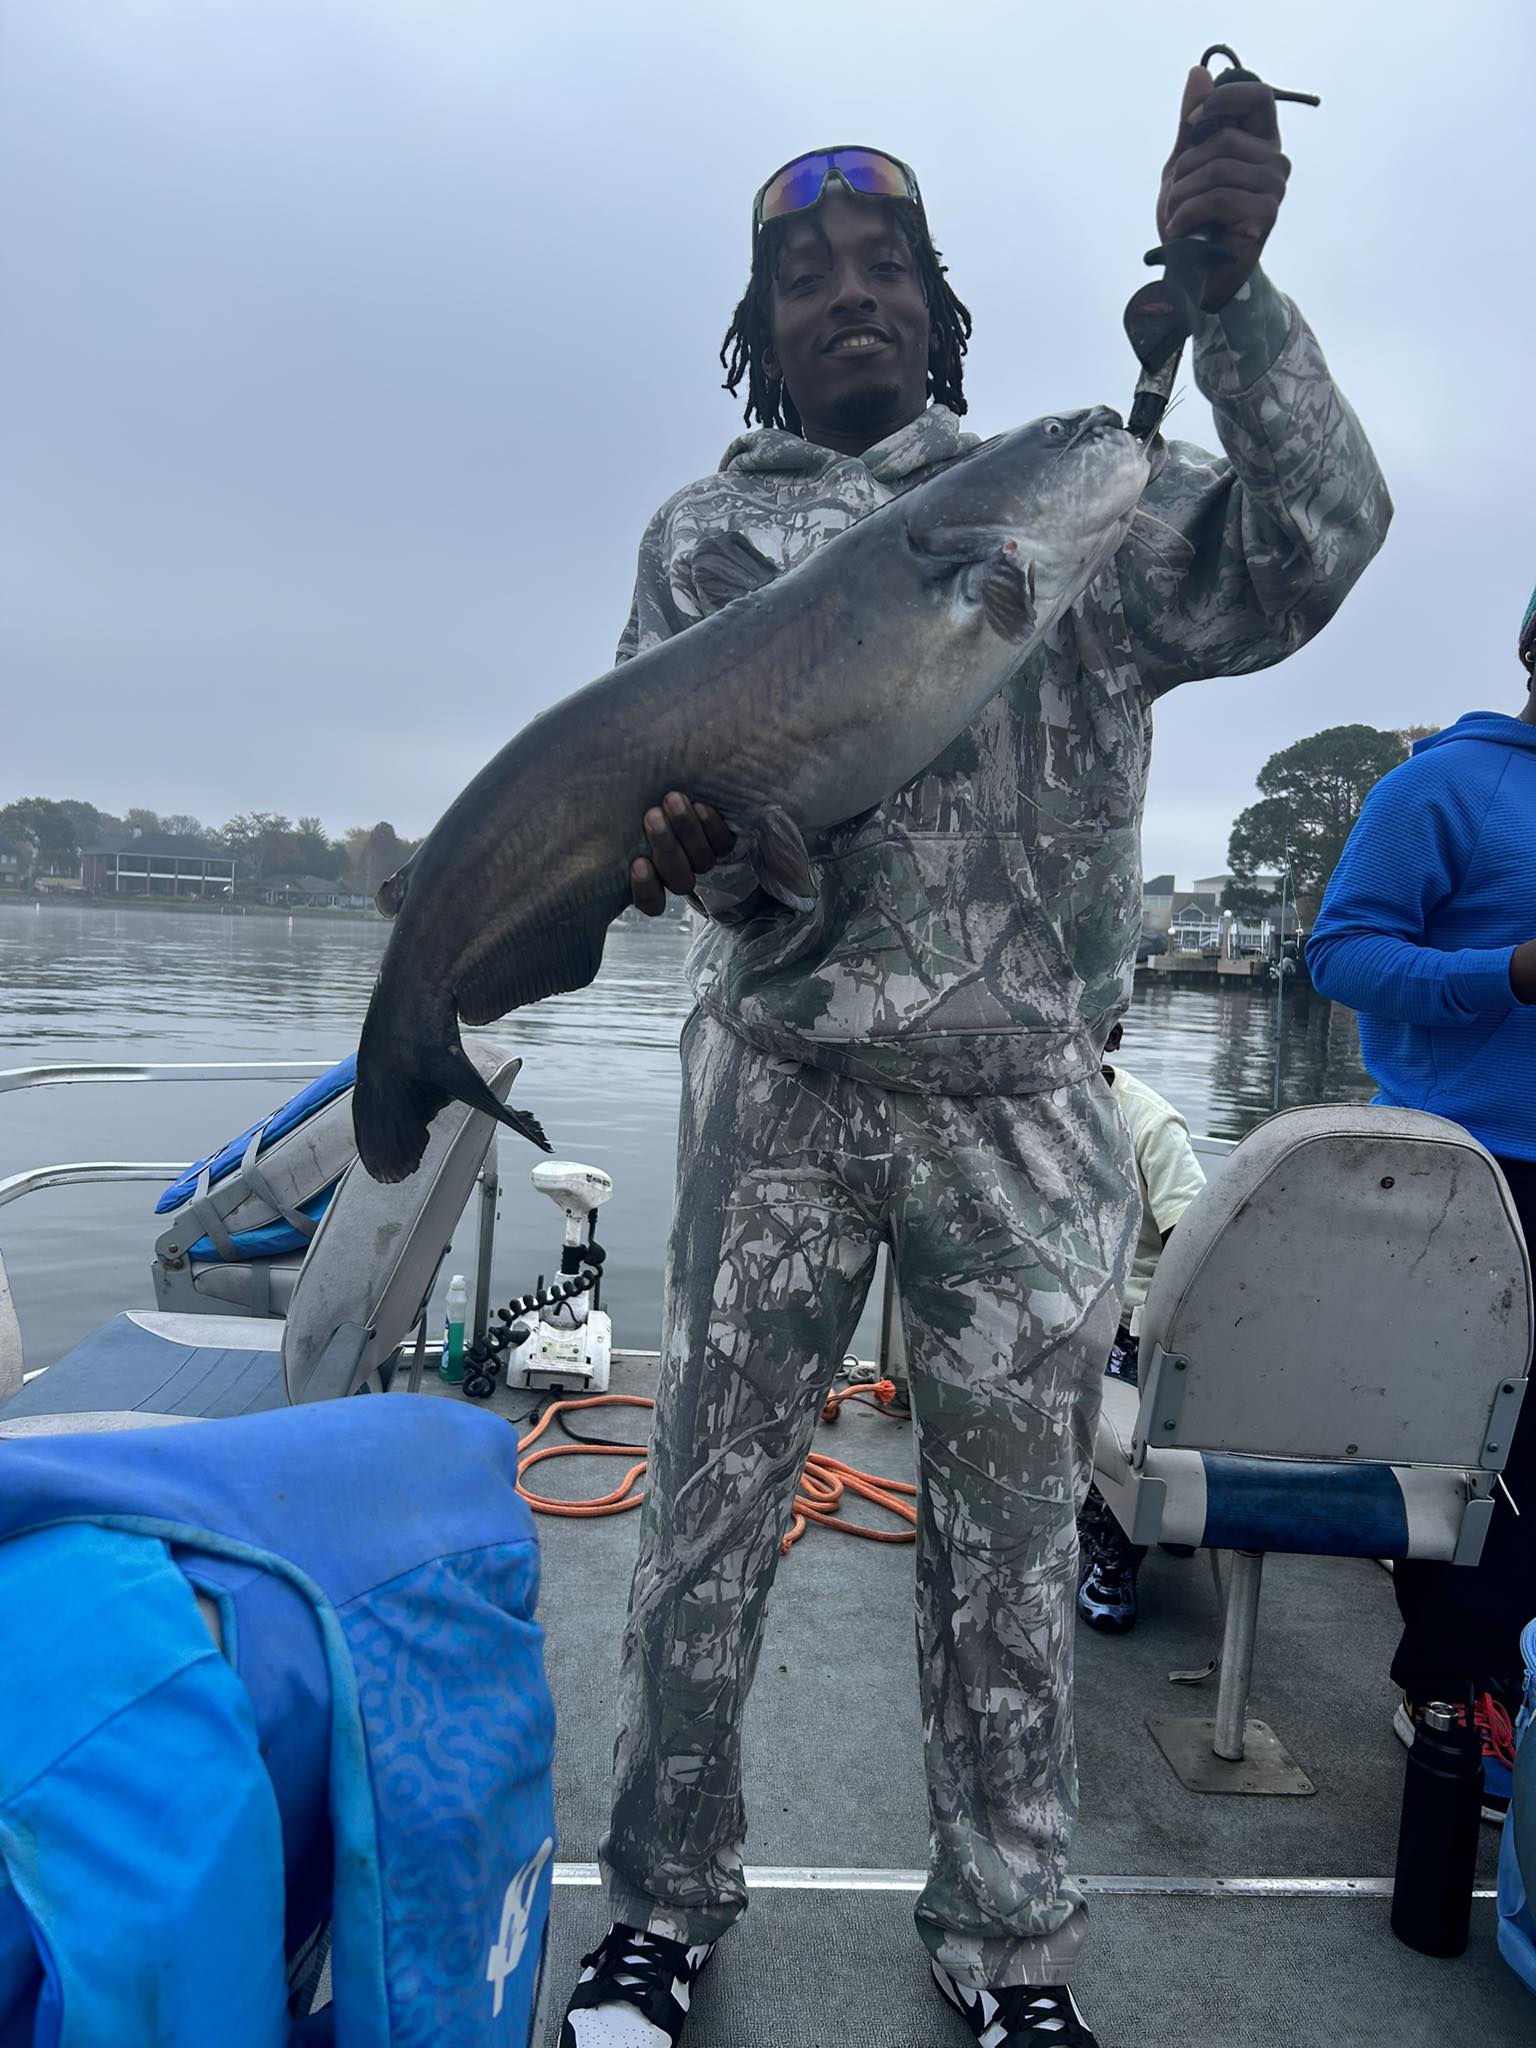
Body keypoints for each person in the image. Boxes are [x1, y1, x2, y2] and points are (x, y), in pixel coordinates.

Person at [564, 71, 1391, 2048]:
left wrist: (1238, 292)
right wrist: (696, 865)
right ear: (755, 328)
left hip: (1029, 1114)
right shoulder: (705, 537)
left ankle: (1009, 1948)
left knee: (1009, 1557)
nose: (846, 291)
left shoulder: (1079, 489)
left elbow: (1320, 544)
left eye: (885, 266)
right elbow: (692, 858)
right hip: (782, 1095)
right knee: (702, 1524)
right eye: (799, 271)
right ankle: (660, 1912)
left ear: (943, 311)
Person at [1307, 590, 1536, 1827]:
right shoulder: (1445, 788)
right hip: (1475, 1170)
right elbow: (1339, 952)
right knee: (1490, 1453)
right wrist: (1508, 971)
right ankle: (1452, 1689)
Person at [1076, 1023, 1206, 1634]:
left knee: (1112, 1416)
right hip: (1060, 1303)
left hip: (1133, 1321)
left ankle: (1112, 1556)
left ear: (1112, 1035)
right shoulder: (1019, 1114)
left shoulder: (1151, 1124)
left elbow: (1198, 1243)